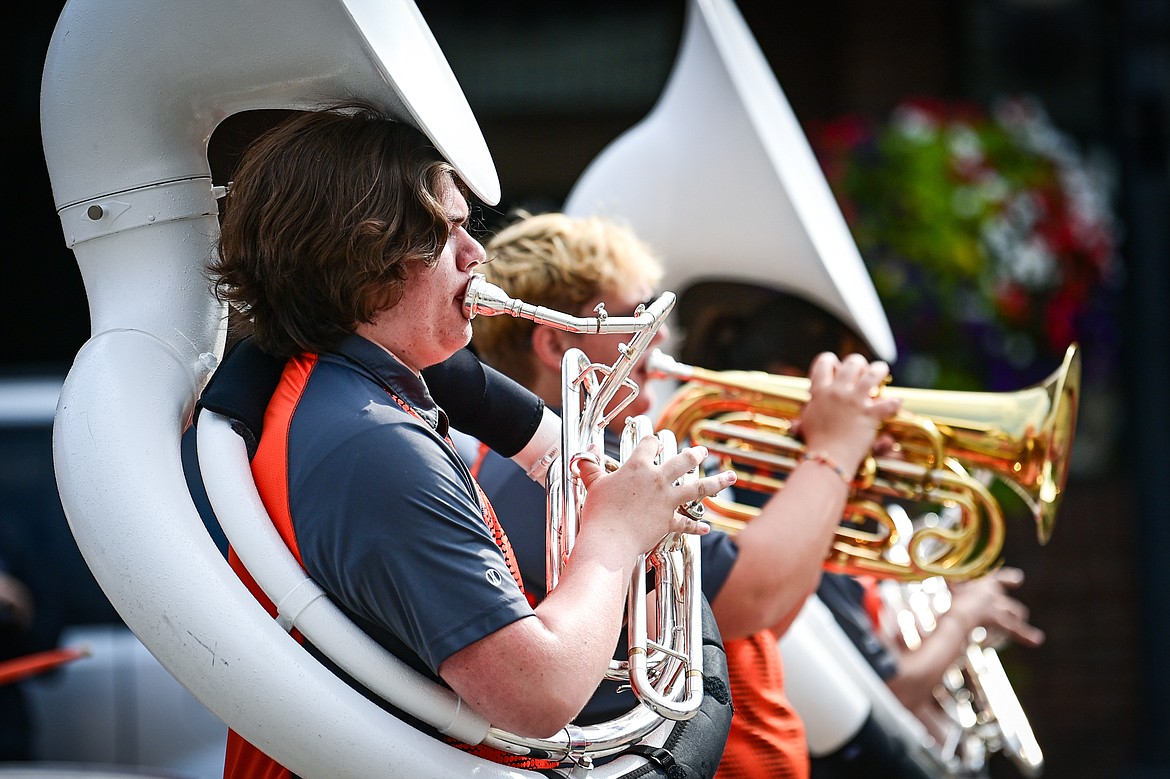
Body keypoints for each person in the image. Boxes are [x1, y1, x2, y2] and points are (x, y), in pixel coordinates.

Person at [205, 102, 733, 778]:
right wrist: (616, 532)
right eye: (448, 228)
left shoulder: (345, 399)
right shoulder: (369, 443)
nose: (475, 252)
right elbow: (535, 692)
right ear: (370, 256)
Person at [468, 212, 903, 779]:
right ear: (556, 342)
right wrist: (834, 454)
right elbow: (750, 595)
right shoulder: (563, 463)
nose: (663, 335)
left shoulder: (610, 450)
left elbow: (769, 612)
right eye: (638, 315)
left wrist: (833, 477)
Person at [677, 282, 1046, 778]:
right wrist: (962, 618)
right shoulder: (778, 512)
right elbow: (894, 686)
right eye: (860, 397)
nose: (880, 412)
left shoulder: (820, 508)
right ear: (795, 383)